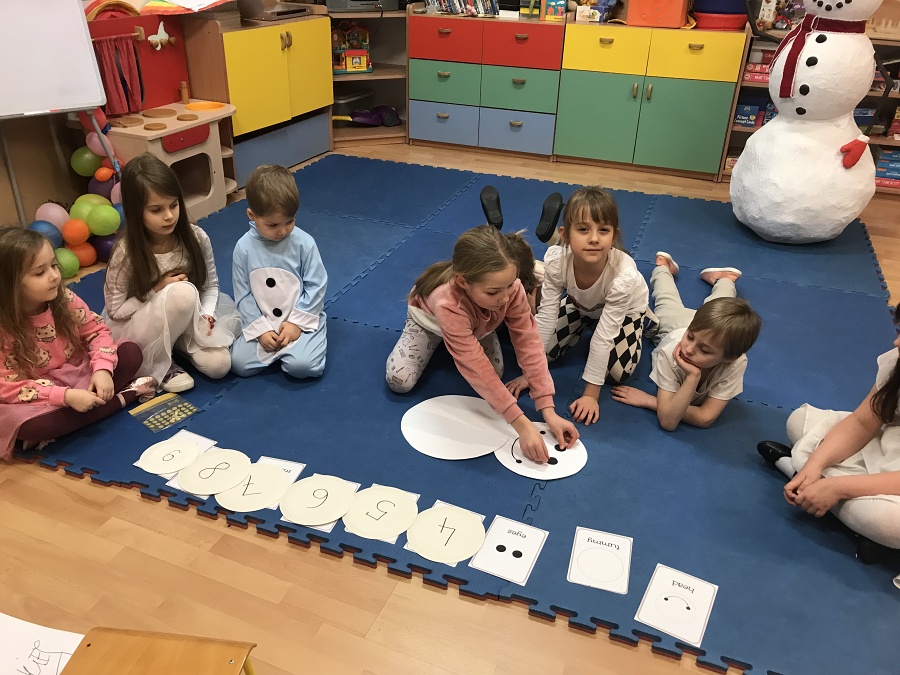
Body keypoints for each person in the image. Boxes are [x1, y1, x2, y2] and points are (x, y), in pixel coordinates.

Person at [385, 224, 579, 463]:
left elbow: (529, 342)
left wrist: (548, 409)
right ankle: (441, 342)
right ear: (463, 282)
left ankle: (463, 337)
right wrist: (522, 425)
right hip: (429, 322)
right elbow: (474, 365)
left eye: (510, 285)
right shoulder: (448, 303)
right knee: (400, 380)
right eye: (493, 292)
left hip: (479, 324)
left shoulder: (510, 289)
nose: (506, 297)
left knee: (495, 373)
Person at [0, 228, 155, 458]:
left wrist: (102, 370)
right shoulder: (4, 327)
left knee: (131, 353)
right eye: (39, 272)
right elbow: (8, 386)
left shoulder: (64, 299)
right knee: (29, 427)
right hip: (41, 395)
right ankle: (121, 398)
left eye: (54, 266)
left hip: (81, 374)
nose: (54, 276)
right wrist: (66, 397)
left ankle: (83, 413)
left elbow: (97, 331)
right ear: (8, 284)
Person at [506, 186, 650, 426]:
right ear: (565, 235)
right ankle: (585, 321)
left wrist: (590, 395)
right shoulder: (557, 261)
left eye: (603, 230)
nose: (594, 238)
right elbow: (546, 315)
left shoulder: (623, 276)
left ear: (614, 236)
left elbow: (604, 336)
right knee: (543, 353)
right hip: (581, 305)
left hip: (625, 311)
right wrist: (531, 374)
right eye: (583, 230)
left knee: (617, 372)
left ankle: (647, 319)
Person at [757, 320, 900, 561]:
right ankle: (824, 495)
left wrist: (838, 487)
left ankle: (794, 470)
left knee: (890, 523)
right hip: (886, 444)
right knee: (799, 421)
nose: (896, 342)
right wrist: (816, 465)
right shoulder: (897, 359)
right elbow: (862, 422)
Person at [103, 153, 240, 393]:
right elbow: (115, 311)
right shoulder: (126, 252)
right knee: (182, 293)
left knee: (219, 366)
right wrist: (157, 289)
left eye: (174, 205)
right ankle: (159, 362)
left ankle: (176, 346)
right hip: (141, 325)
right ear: (136, 211)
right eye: (156, 210)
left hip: (185, 317)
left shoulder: (196, 237)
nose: (168, 216)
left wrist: (207, 314)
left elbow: (210, 286)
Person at [611, 252, 761, 431]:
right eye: (689, 338)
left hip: (703, 330)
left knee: (723, 306)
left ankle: (725, 279)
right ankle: (663, 268)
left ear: (730, 357)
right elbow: (669, 421)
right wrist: (667, 407)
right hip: (674, 327)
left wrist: (653, 399)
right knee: (666, 299)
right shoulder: (672, 352)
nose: (688, 350)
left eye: (704, 351)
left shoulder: (736, 362)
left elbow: (704, 418)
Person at [230, 165, 327, 378]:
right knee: (238, 364)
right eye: (272, 225)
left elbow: (317, 285)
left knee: (302, 367)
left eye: (289, 221)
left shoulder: (304, 243)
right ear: (251, 215)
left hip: (299, 317)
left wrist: (296, 323)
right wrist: (261, 329)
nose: (282, 231)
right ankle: (277, 348)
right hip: (264, 319)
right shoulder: (243, 249)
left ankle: (309, 337)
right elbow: (243, 294)